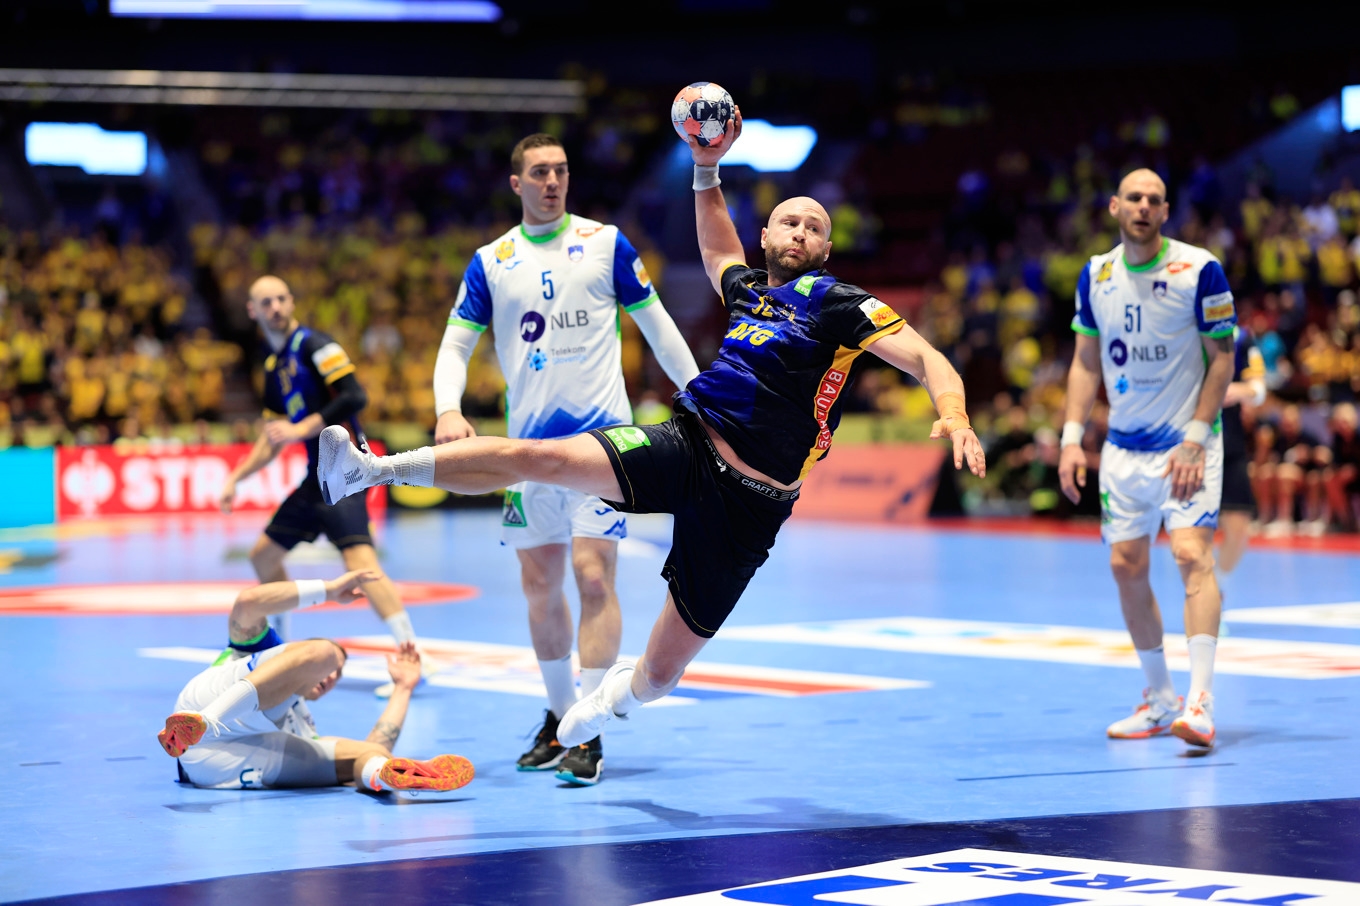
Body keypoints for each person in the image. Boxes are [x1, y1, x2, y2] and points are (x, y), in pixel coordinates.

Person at [316, 108, 985, 752]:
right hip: (687, 445)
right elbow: (717, 242)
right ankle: (371, 471)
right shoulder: (749, 289)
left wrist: (952, 411)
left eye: (814, 226)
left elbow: (926, 358)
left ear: (827, 247)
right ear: (769, 237)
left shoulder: (839, 304)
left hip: (750, 506)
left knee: (661, 675)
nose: (800, 231)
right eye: (789, 220)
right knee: (536, 458)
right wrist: (705, 167)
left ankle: (610, 706)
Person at [431, 134, 700, 786]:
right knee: (538, 585)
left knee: (594, 577)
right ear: (517, 182)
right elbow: (454, 346)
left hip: (604, 447)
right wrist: (447, 408)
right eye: (539, 172)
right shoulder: (491, 262)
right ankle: (559, 717)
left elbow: (659, 328)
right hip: (528, 453)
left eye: (561, 170)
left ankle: (591, 730)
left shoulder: (607, 244)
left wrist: (700, 398)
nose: (552, 181)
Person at [1059, 169, 1237, 748]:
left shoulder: (1200, 269)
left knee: (1191, 554)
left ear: (1165, 212)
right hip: (1123, 451)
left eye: (1154, 200)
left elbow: (1222, 360)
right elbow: (1086, 363)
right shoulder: (1097, 274)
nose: (1143, 206)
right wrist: (1070, 438)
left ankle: (1201, 703)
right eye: (1133, 198)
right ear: (1115, 207)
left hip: (1188, 445)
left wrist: (1193, 437)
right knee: (1125, 566)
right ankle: (1160, 698)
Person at [219, 275, 421, 698]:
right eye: (265, 302)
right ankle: (279, 651)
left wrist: (304, 427)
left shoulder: (316, 345)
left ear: (291, 302)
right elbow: (274, 435)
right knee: (263, 557)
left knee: (361, 565)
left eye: (281, 298)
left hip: (348, 467)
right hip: (317, 476)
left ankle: (412, 655)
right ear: (253, 311)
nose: (275, 306)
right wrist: (236, 478)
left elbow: (354, 397)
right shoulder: (272, 368)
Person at [156, 569, 473, 796]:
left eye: (338, 677)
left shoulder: (304, 724)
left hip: (213, 770)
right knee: (327, 652)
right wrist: (329, 590)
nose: (332, 676)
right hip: (205, 704)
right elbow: (249, 602)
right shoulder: (257, 652)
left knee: (369, 755)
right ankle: (208, 721)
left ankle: (386, 780)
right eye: (331, 670)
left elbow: (375, 747)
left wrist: (403, 687)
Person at [1217, 326, 1267, 574]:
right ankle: (1197, 588)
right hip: (1190, 445)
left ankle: (1218, 584)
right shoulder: (1182, 329)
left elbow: (1258, 390)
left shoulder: (1243, 339)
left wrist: (1238, 390)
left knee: (1238, 525)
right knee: (1192, 533)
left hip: (1230, 443)